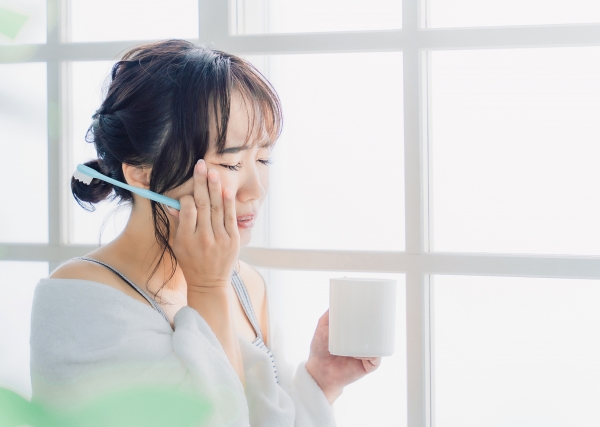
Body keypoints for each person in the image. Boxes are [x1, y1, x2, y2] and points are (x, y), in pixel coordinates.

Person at [30, 39, 380, 427]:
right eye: (230, 163)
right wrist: (208, 288)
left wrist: (320, 380)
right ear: (142, 173)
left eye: (263, 158)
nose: (256, 189)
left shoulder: (245, 284)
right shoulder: (81, 299)